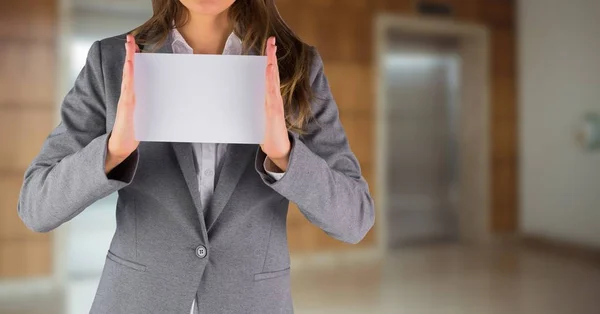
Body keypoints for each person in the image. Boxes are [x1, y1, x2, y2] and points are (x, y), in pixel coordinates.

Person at [17, 0, 375, 313]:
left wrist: (284, 155)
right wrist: (114, 150)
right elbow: (37, 206)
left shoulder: (296, 66)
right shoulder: (111, 62)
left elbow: (354, 219)